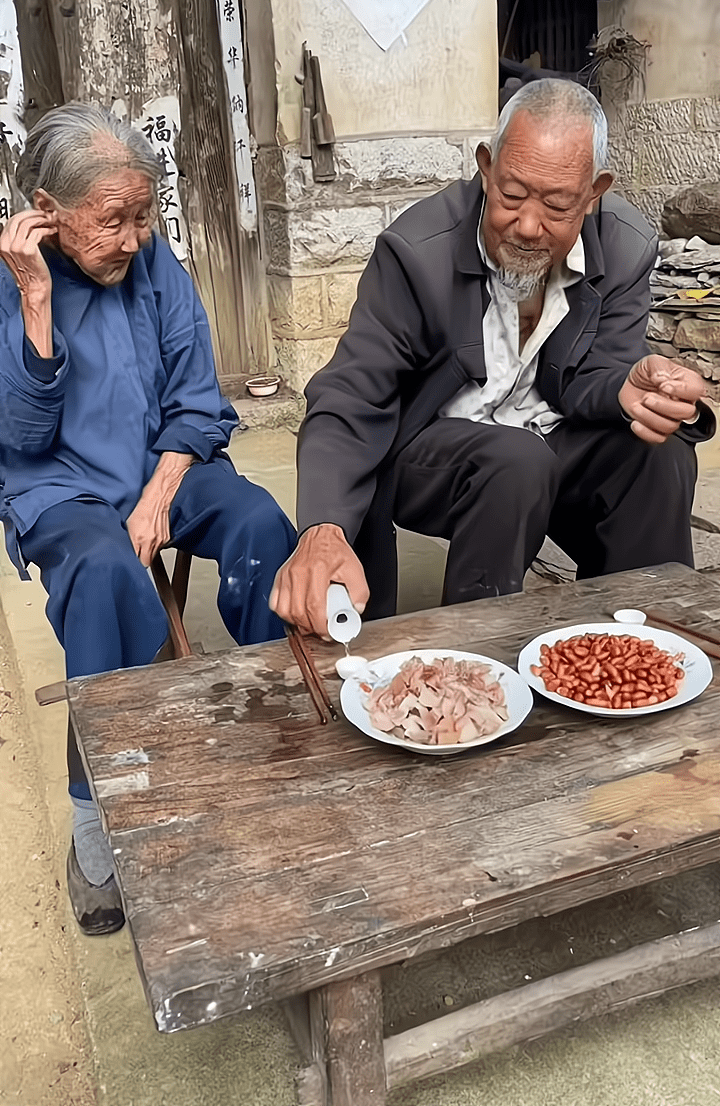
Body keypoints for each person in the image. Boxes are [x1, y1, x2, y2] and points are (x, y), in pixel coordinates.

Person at [271, 79, 714, 637]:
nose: (528, 226)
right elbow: (349, 394)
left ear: (594, 191)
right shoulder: (417, 252)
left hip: (547, 438)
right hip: (431, 454)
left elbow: (596, 374)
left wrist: (630, 388)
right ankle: (477, 661)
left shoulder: (625, 246)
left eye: (557, 205)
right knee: (516, 459)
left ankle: (632, 643)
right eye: (511, 195)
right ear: (486, 166)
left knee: (661, 453)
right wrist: (322, 527)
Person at [0, 104, 295, 935]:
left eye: (143, 216)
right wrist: (33, 302)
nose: (132, 239)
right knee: (103, 574)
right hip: (58, 488)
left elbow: (199, 403)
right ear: (45, 211)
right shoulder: (9, 281)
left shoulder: (157, 265)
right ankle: (93, 813)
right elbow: (19, 437)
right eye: (112, 220)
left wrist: (161, 493)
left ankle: (277, 717)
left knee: (258, 522)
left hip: (163, 464)